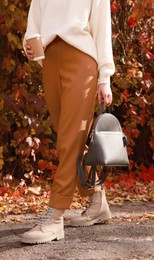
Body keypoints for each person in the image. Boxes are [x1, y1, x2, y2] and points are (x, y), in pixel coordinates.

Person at [21, 0, 115, 244]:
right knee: (69, 138)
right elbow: (34, 27)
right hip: (50, 62)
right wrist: (29, 46)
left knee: (70, 140)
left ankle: (54, 217)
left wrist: (105, 77)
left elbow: (102, 29)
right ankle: (97, 201)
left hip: (82, 62)